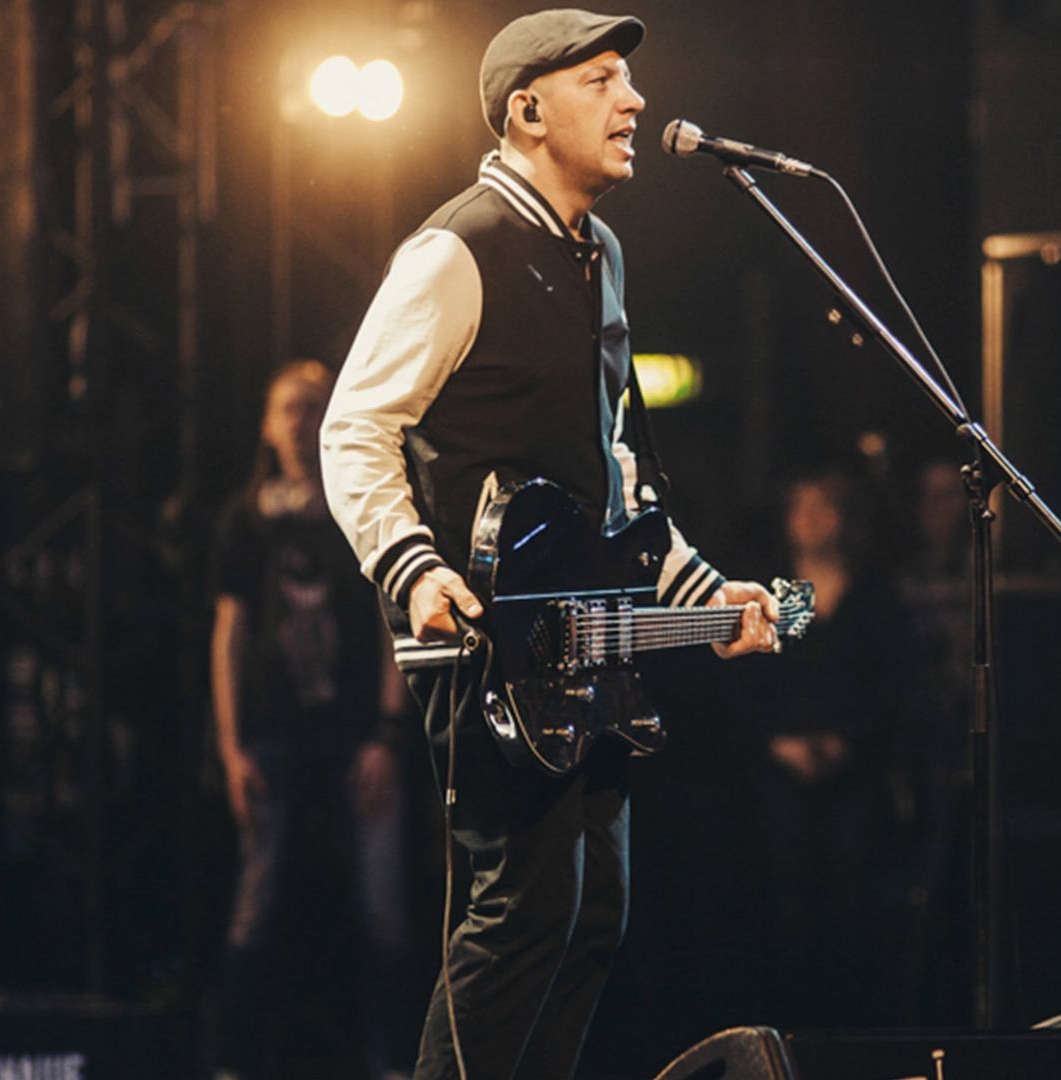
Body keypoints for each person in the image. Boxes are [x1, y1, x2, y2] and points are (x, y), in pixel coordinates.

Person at [317, 11, 780, 1079]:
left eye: (630, 82)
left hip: (586, 643)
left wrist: (710, 594)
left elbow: (612, 473)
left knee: (590, 918)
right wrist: (410, 564)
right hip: (487, 646)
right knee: (517, 914)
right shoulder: (457, 247)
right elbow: (355, 426)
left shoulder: (601, 254)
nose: (636, 103)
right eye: (604, 81)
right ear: (528, 109)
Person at [209, 359, 415, 1079]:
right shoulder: (245, 519)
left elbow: (396, 624)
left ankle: (392, 1061)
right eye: (288, 406)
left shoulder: (361, 508)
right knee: (257, 901)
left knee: (383, 906)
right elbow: (229, 635)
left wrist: (389, 736)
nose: (299, 419)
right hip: (274, 737)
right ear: (268, 424)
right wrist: (232, 749)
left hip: (357, 735)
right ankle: (236, 1062)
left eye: (313, 406)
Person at [748, 469, 912, 1026]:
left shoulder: (870, 595)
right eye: (802, 507)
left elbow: (891, 685)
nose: (813, 519)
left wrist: (845, 742)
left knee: (854, 903)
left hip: (855, 773)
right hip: (783, 772)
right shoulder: (784, 597)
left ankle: (853, 1028)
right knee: (789, 905)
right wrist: (781, 742)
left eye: (825, 507)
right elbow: (760, 683)